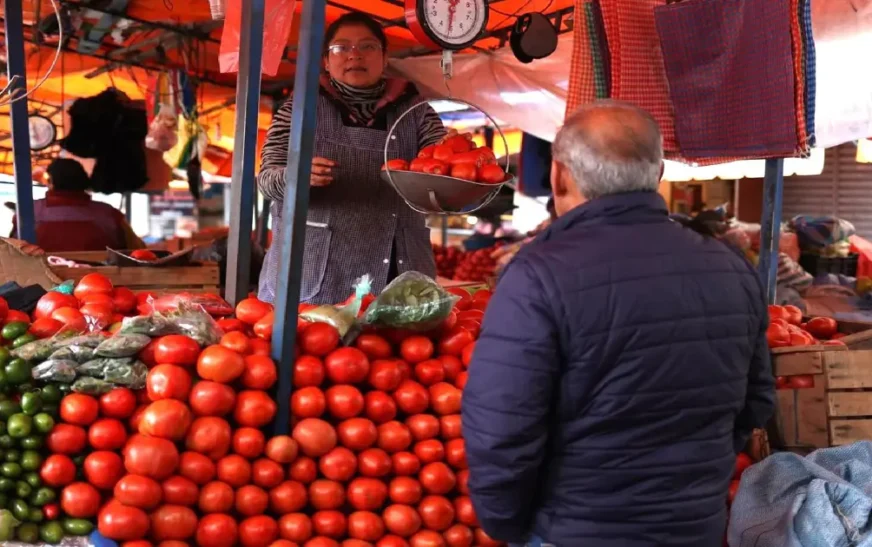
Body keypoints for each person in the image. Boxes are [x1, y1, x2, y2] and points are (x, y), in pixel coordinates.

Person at [461, 100, 775, 547]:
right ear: (658, 173)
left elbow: (501, 427)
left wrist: (507, 525)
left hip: (574, 531)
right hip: (694, 527)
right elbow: (756, 400)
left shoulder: (537, 275)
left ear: (559, 176)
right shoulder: (730, 267)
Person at [257, 12, 446, 304]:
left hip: (397, 265)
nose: (354, 56)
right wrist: (295, 176)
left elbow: (445, 167)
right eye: (341, 47)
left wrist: (457, 163)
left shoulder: (417, 111)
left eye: (367, 46)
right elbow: (267, 179)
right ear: (325, 60)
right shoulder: (298, 109)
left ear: (384, 58)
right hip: (313, 267)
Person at [10, 158, 144, 252]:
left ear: (51, 182)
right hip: (101, 287)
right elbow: (140, 251)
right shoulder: (109, 214)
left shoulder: (28, 211)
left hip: (38, 286)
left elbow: (9, 250)